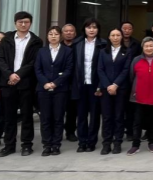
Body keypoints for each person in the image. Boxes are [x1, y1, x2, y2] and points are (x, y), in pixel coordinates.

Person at [0, 11, 42, 157]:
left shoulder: (36, 41)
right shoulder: (6, 39)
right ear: (15, 23)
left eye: (26, 22)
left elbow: (33, 62)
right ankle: (9, 145)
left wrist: (18, 75)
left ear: (30, 23)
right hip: (8, 82)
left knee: (27, 115)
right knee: (9, 116)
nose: (23, 24)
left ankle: (26, 145)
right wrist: (10, 74)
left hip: (26, 83)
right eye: (20, 22)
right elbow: (0, 58)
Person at [34, 26, 74, 156]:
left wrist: (55, 83)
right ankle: (47, 145)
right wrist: (45, 83)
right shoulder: (41, 51)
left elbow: (68, 69)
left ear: (60, 36)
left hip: (60, 89)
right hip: (43, 89)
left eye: (56, 34)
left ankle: (56, 144)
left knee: (58, 118)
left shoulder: (67, 51)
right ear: (47, 36)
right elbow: (37, 69)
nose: (53, 36)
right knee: (45, 118)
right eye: (50, 34)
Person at [127, 37, 153, 155]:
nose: (149, 48)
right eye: (146, 46)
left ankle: (152, 143)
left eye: (151, 46)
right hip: (139, 96)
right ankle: (135, 145)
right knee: (137, 122)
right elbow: (131, 77)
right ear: (142, 47)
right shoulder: (136, 60)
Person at [72, 19, 106, 153]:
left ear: (98, 29)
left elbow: (104, 67)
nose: (91, 30)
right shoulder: (77, 43)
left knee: (94, 115)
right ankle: (82, 142)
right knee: (81, 115)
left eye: (94, 27)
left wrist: (100, 85)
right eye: (89, 27)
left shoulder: (103, 44)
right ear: (84, 29)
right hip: (81, 83)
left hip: (95, 85)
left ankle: (91, 142)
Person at [98, 28, 132, 155]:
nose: (115, 37)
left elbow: (126, 70)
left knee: (118, 116)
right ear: (109, 37)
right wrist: (108, 85)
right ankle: (106, 143)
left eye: (118, 35)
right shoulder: (103, 52)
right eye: (113, 35)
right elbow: (100, 69)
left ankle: (117, 142)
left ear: (122, 37)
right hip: (106, 89)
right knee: (107, 117)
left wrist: (115, 85)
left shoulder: (127, 51)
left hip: (121, 89)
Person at [121, 21, 141, 141]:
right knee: (119, 107)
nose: (127, 31)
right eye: (124, 28)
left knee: (131, 108)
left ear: (132, 30)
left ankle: (130, 131)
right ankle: (118, 131)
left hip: (132, 79)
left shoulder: (137, 44)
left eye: (129, 29)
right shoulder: (116, 42)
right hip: (118, 79)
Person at [61, 23, 79, 143]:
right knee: (58, 109)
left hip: (74, 82)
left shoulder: (79, 46)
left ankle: (70, 131)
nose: (69, 33)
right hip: (59, 82)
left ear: (75, 33)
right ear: (62, 34)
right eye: (66, 31)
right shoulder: (58, 46)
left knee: (72, 110)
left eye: (71, 31)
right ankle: (57, 132)